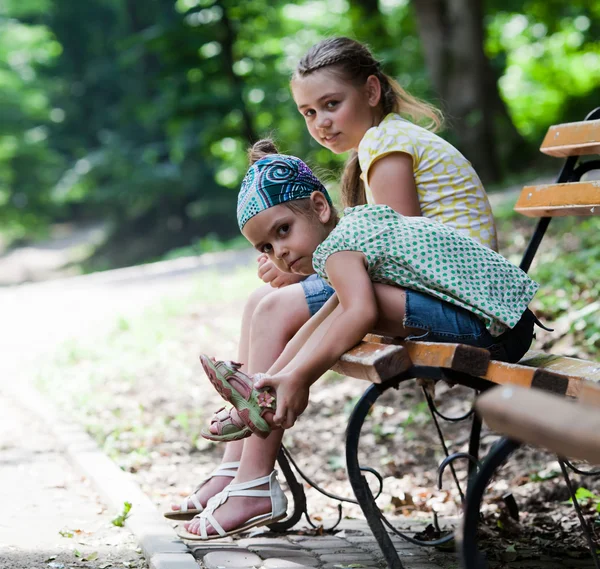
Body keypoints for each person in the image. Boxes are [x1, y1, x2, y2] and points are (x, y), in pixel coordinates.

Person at [165, 36, 498, 523]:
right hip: (448, 294)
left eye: (331, 105)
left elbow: (394, 254)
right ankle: (237, 466)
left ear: (370, 90)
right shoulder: (379, 146)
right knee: (265, 300)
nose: (321, 122)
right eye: (308, 113)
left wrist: (307, 273)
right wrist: (299, 266)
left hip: (465, 304)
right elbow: (381, 252)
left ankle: (253, 478)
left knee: (277, 306)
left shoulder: (388, 144)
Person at [175, 144, 539, 540]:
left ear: (320, 207)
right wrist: (274, 378)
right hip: (503, 323)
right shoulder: (348, 235)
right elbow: (328, 316)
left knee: (357, 302)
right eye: (265, 247)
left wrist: (299, 379)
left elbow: (360, 313)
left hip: (495, 329)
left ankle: (259, 431)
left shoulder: (341, 247)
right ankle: (258, 397)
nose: (279, 251)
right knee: (338, 304)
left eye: (283, 231)